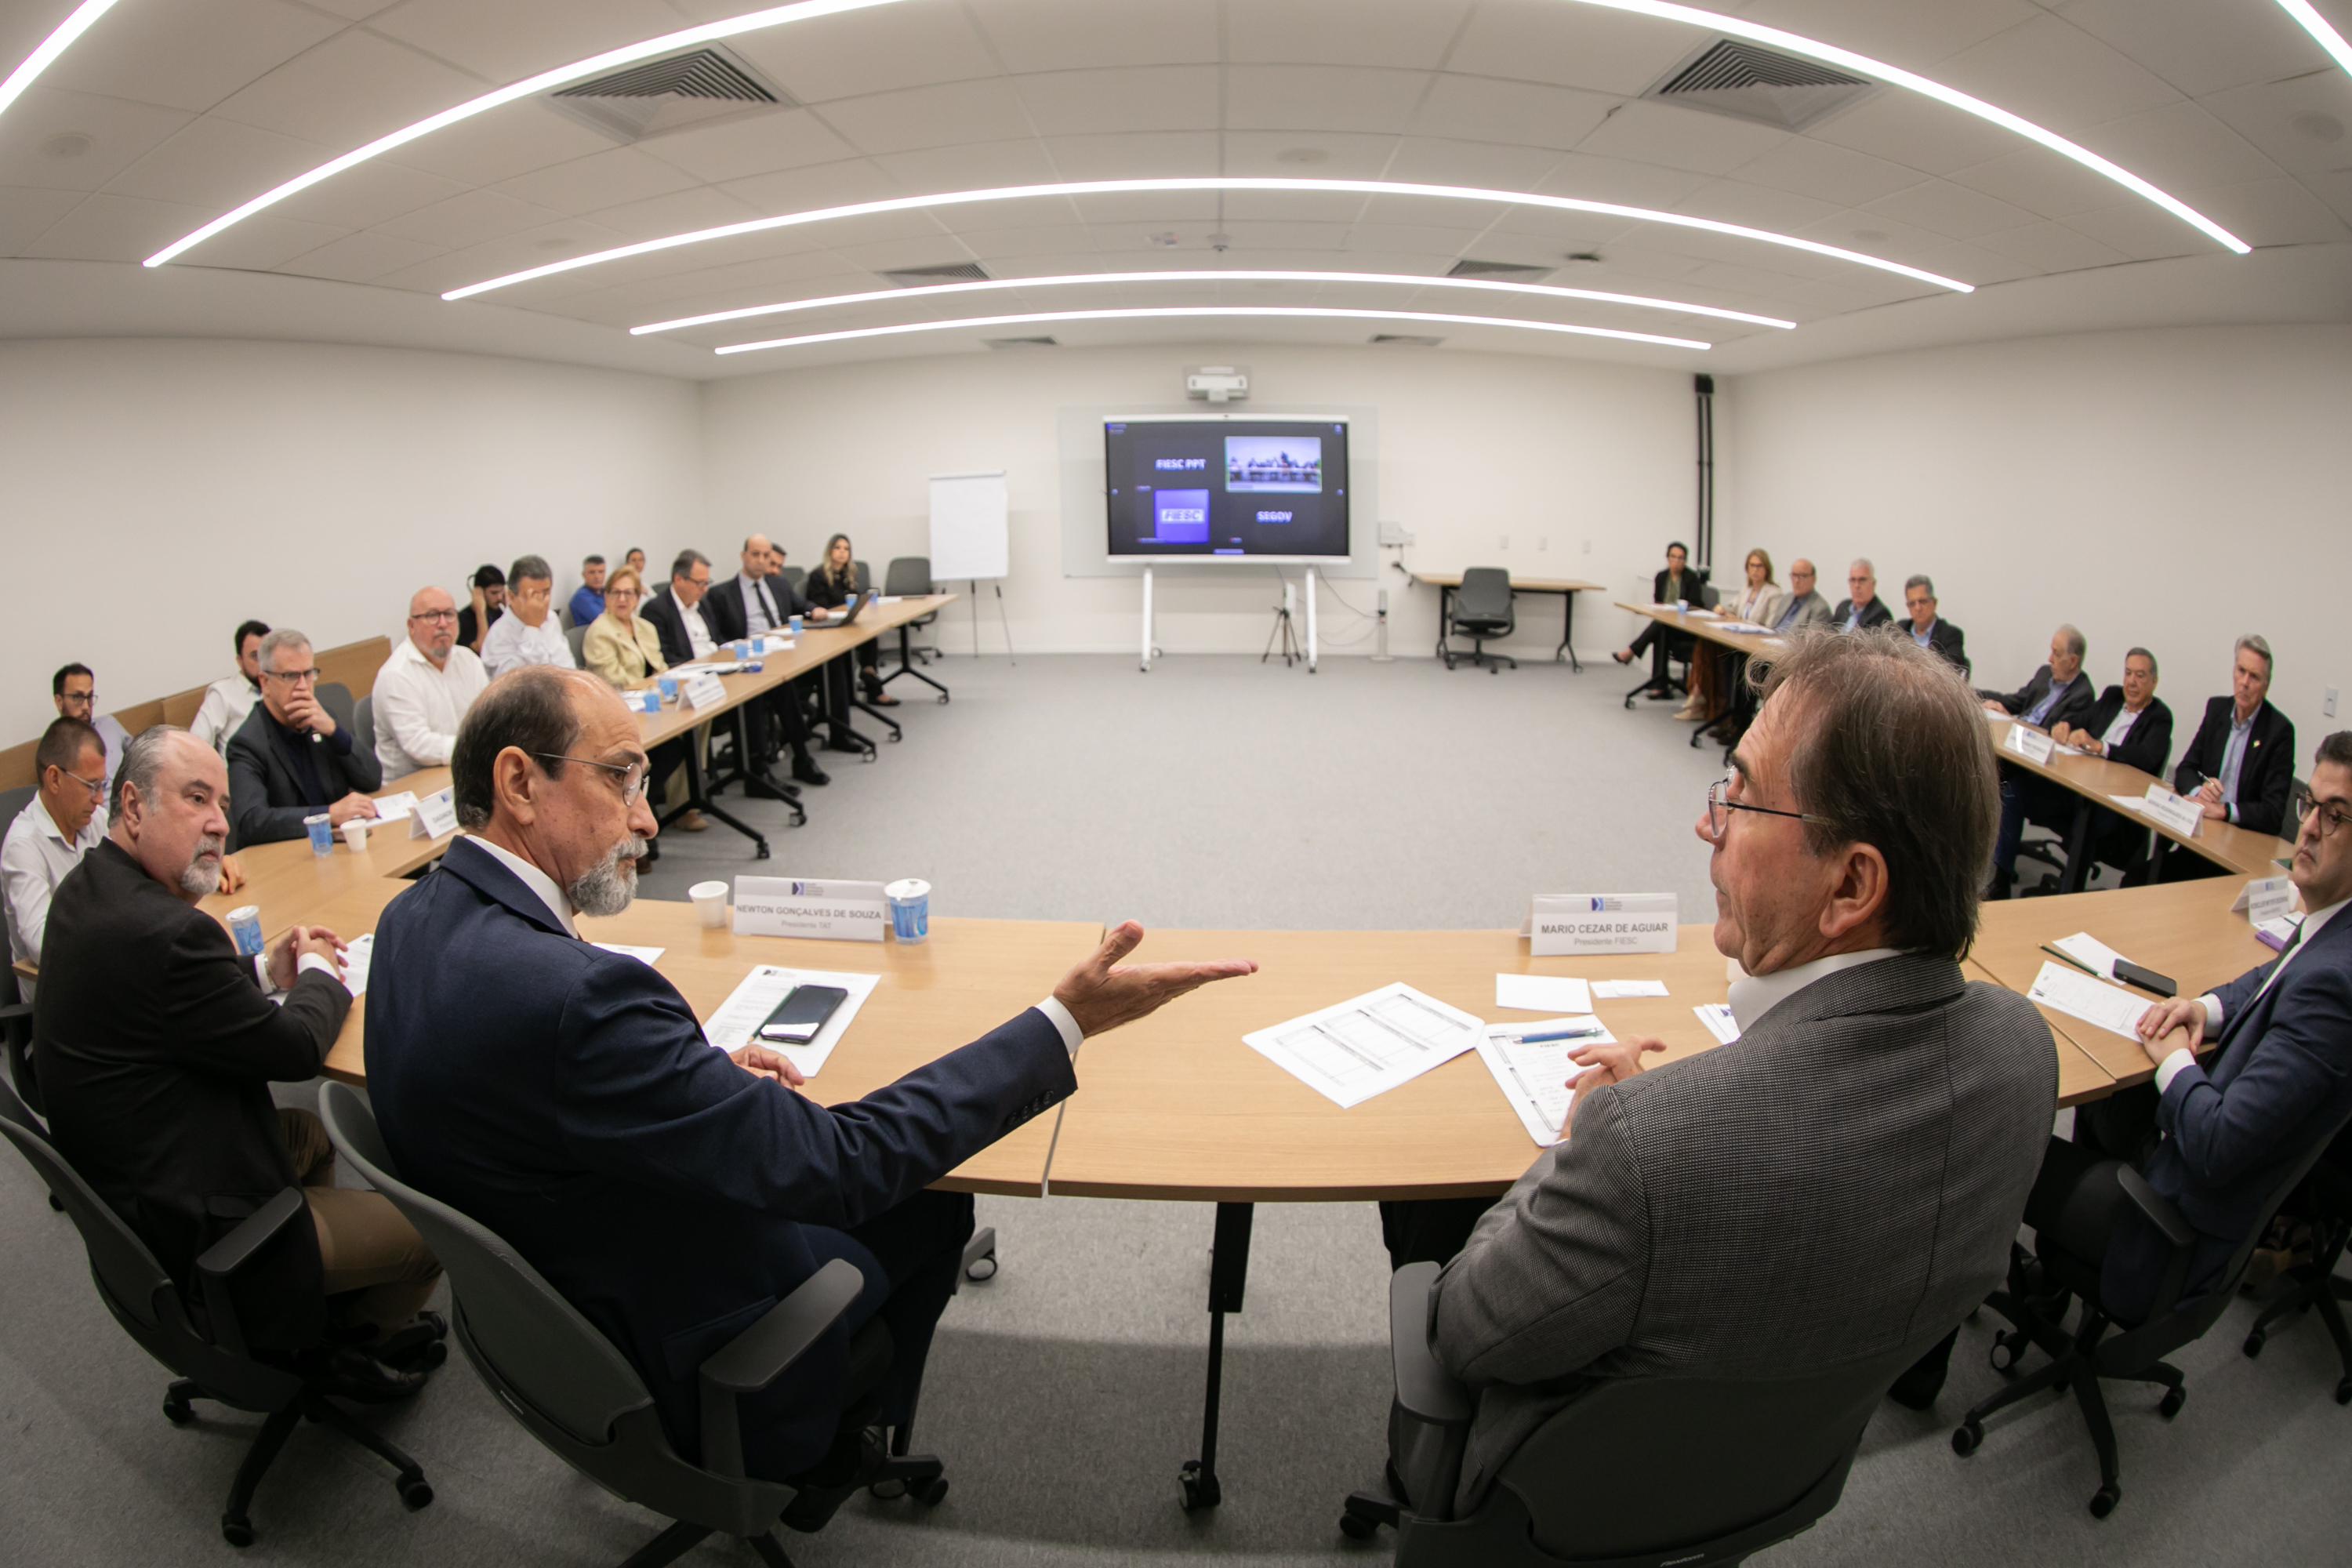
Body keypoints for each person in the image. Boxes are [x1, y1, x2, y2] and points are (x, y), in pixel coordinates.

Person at [362, 667, 1253, 1504]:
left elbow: (531, 1087)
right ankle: (832, 1450)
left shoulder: (411, 918)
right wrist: (1065, 1020)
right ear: (519, 783)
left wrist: (679, 1078)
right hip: (677, 1338)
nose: (648, 820)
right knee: (932, 1194)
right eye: (623, 777)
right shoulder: (582, 1001)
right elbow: (841, 1164)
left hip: (552, 1310)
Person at [1388, 631, 2055, 1516]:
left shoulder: (1642, 1149)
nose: (1709, 824)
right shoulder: (2023, 1049)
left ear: (1851, 886)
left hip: (1572, 1506)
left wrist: (1584, 1137)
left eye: (1741, 797)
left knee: (1420, 1208)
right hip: (1787, 1480)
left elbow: (1463, 1331)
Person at [32, 728, 442, 1396]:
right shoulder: (169, 934)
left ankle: (313, 1318)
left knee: (307, 1136)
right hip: (202, 1225)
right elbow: (295, 1050)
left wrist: (262, 972)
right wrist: (320, 971)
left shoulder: (89, 891)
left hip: (142, 1187)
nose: (221, 824)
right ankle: (346, 1351)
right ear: (132, 806)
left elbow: (163, 1001)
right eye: (196, 799)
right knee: (428, 1237)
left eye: (222, 805)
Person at [2037, 731, 2352, 1326]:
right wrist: (2201, 1010)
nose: (2308, 828)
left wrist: (2174, 1059)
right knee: (2106, 1102)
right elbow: (2265, 979)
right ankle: (2054, 1277)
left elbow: (2217, 1146)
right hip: (2177, 1175)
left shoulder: (2335, 987)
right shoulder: (2332, 933)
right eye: (2311, 804)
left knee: (2012, 1146)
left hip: (2169, 1231)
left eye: (2335, 816)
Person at [1991, 648, 2174, 895]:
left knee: (2087, 819)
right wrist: (2065, 726)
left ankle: (2068, 897)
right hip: (2077, 789)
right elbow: (2082, 719)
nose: (2131, 681)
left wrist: (2102, 747)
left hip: (2111, 806)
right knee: (2016, 791)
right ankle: (2001, 881)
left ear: (2154, 681)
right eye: (2128, 673)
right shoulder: (2112, 697)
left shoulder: (2160, 717)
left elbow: (2146, 757)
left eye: (2140, 676)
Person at [225, 629, 383, 848]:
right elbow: (252, 821)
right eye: (290, 676)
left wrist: (334, 732)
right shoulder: (247, 743)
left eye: (308, 674)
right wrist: (328, 814)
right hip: (287, 855)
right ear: (265, 682)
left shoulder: (324, 721)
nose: (302, 686)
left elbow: (373, 779)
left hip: (337, 846)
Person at [701, 535, 830, 783]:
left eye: (765, 556)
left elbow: (800, 604)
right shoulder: (722, 594)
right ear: (743, 556)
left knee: (788, 683)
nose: (761, 561)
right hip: (747, 663)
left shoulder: (778, 584)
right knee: (773, 690)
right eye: (755, 554)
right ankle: (761, 766)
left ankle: (801, 758)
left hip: (782, 656)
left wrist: (813, 609)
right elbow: (715, 636)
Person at [3, 718, 109, 1004]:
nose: (100, 799)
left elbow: (136, 879)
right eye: (91, 786)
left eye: (102, 785)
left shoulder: (96, 820)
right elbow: (43, 944)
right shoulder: (23, 845)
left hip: (102, 975)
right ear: (54, 779)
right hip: (56, 1001)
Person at [582, 567, 698, 810]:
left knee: (692, 727)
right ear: (606, 596)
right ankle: (640, 803)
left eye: (629, 593)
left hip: (653, 704)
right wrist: (654, 692)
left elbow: (660, 668)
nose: (622, 599)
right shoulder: (599, 632)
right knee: (672, 748)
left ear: (637, 597)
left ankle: (683, 805)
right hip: (623, 711)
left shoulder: (645, 627)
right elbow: (613, 681)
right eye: (615, 592)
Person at [2172, 635, 2294, 836]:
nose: (2244, 682)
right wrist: (2199, 793)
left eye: (2254, 677)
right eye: (2241, 671)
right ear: (2233, 671)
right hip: (2203, 830)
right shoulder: (2216, 710)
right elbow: (2186, 768)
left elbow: (2273, 813)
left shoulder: (2279, 732)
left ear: (2266, 686)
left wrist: (2224, 811)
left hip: (2241, 837)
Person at [372, 586, 489, 779]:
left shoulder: (469, 660)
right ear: (411, 625)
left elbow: (488, 719)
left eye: (449, 614)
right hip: (412, 785)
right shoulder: (396, 675)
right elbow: (419, 745)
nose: (443, 624)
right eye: (432, 616)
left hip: (464, 770)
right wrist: (478, 746)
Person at [1679, 549, 1783, 723]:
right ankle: (1703, 696)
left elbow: (1771, 625)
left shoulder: (1773, 593)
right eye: (1752, 566)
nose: (1756, 570)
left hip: (1755, 646)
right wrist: (1721, 609)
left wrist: (1741, 621)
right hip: (1738, 639)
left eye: (1760, 566)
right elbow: (1732, 607)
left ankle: (1705, 698)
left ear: (1767, 569)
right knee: (1706, 643)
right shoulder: (1747, 588)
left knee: (1719, 652)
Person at [802, 533, 898, 707]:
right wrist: (845, 610)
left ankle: (869, 674)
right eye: (838, 548)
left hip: (843, 622)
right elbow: (821, 606)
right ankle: (871, 687)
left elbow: (853, 599)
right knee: (859, 638)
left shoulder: (847, 574)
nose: (842, 552)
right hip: (826, 626)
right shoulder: (819, 575)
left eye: (846, 549)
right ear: (830, 551)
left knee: (870, 635)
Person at [1609, 541, 1704, 687]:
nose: (1677, 561)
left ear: (1685, 560)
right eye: (1673, 557)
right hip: (1666, 623)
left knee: (1660, 626)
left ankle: (1632, 652)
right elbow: (1657, 602)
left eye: (1681, 558)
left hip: (1685, 627)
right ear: (1667, 558)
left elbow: (1695, 604)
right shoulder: (1661, 577)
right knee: (1661, 631)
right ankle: (1659, 685)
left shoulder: (1691, 578)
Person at [1977, 624, 2096, 733]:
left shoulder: (2083, 695)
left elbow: (2053, 734)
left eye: (2057, 654)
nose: (2050, 659)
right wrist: (1974, 695)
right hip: (2015, 733)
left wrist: (2011, 722)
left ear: (2073, 661)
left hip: (2031, 743)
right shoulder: (2045, 673)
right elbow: (2015, 702)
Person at [480, 556, 577, 678]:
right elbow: (517, 683)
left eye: (546, 593)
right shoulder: (499, 635)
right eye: (532, 595)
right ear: (512, 597)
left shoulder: (551, 618)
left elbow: (567, 666)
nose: (540, 602)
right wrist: (532, 628)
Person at [190, 620, 270, 755]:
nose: (263, 662)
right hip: (243, 766)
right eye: (255, 656)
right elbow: (196, 746)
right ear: (240, 661)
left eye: (268, 654)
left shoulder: (281, 687)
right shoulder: (223, 693)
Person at [51, 663, 129, 795]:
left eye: (89, 697)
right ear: (59, 701)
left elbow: (140, 755)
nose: (86, 706)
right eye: (77, 697)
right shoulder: (55, 750)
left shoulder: (109, 725)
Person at [640, 549, 718, 666]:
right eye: (699, 583)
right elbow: (665, 657)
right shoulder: (656, 610)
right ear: (679, 580)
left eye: (707, 583)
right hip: (690, 670)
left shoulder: (703, 605)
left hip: (718, 664)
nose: (705, 589)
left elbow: (716, 640)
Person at [1900, 575, 1969, 674]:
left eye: (1922, 602)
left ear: (1934, 603)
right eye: (1912, 604)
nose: (1918, 608)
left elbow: (1951, 670)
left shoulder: (1951, 635)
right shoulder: (1899, 630)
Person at [1769, 557, 1833, 634]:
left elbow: (1812, 639)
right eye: (1794, 575)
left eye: (1801, 576)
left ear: (1813, 579)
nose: (1796, 581)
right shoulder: (1786, 598)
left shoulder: (1820, 608)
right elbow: (1772, 628)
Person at [1830, 558, 1892, 633]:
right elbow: (1827, 633)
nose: (1857, 585)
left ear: (1873, 584)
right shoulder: (1843, 607)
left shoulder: (1880, 614)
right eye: (1853, 580)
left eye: (1862, 580)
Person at [455, 564, 506, 655]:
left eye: (501, 592)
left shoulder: (497, 613)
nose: (499, 597)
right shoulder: (463, 619)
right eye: (494, 593)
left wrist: (509, 607)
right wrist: (481, 612)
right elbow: (483, 649)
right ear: (479, 592)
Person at [568, 555, 608, 629]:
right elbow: (604, 620)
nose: (597, 576)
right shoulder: (581, 597)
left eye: (601, 572)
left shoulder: (605, 592)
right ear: (584, 575)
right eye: (592, 572)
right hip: (593, 634)